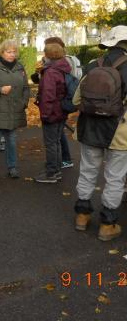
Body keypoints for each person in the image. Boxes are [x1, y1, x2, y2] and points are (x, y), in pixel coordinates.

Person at [73, 25, 127, 241]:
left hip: (89, 128)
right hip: (120, 132)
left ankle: (82, 216)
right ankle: (107, 224)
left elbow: (76, 100)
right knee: (115, 178)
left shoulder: (93, 65)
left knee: (87, 171)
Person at [0, 40, 30, 179]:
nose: (12, 54)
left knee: (12, 142)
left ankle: (12, 167)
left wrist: (24, 103)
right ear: (2, 52)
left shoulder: (20, 67)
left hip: (14, 111)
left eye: (14, 52)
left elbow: (26, 88)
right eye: (9, 52)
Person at [31, 37, 74, 169]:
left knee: (51, 142)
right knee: (56, 140)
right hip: (61, 109)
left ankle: (52, 171)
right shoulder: (63, 67)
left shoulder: (51, 72)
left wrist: (45, 115)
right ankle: (57, 166)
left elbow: (48, 95)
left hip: (53, 112)